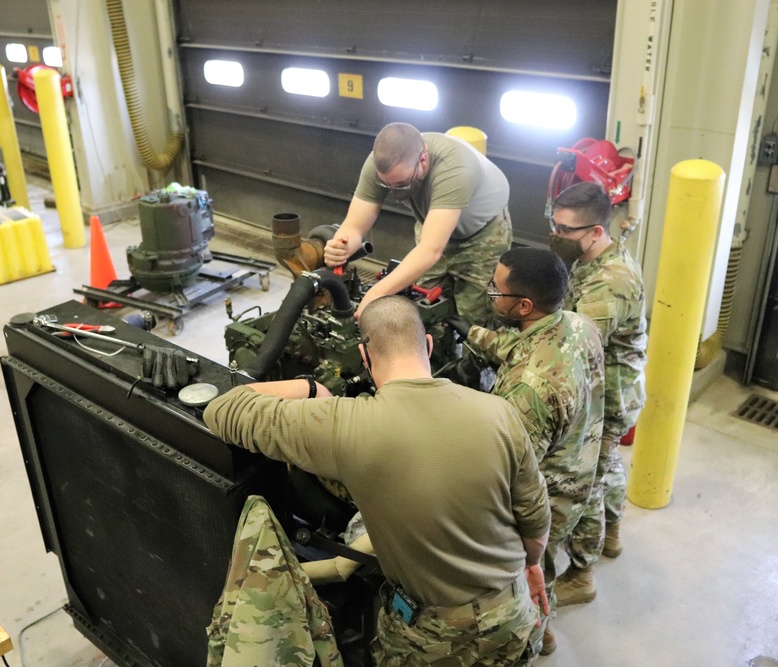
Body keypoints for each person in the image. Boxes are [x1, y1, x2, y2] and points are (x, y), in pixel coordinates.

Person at [205, 295, 553, 665]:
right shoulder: (500, 413)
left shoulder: (345, 425)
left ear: (364, 356)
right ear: (430, 346)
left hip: (430, 639)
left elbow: (223, 409)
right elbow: (535, 530)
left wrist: (309, 389)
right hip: (512, 616)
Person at [460, 247, 605, 656]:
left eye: (495, 289)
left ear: (523, 305)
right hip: (581, 463)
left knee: (530, 572)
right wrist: (473, 333)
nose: (490, 293)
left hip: (551, 495)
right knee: (547, 562)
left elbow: (511, 476)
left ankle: (536, 637)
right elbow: (525, 350)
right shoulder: (577, 324)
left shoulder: (529, 392)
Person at [547, 182, 647, 606]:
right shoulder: (589, 258)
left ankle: (581, 575)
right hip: (604, 385)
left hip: (608, 395)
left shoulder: (612, 281)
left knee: (583, 483)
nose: (557, 235)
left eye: (566, 230)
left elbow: (575, 342)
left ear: (594, 231)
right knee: (607, 469)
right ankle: (613, 535)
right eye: (554, 224)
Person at [324, 122, 511, 326]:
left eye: (402, 184)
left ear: (423, 159)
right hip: (432, 228)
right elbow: (354, 226)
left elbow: (431, 250)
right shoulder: (382, 164)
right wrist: (340, 247)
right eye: (388, 185)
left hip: (482, 238)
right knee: (422, 307)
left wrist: (377, 292)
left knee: (476, 316)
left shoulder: (454, 169)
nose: (394, 190)